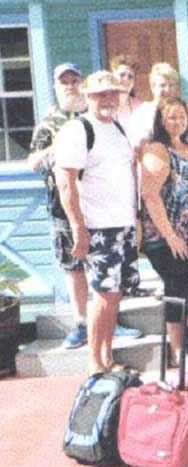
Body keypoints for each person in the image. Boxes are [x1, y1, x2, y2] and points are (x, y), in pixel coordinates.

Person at [29, 63, 140, 349]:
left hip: (121, 223)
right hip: (96, 225)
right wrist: (78, 227)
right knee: (102, 293)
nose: (107, 100)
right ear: (88, 96)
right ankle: (95, 361)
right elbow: (65, 182)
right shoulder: (77, 129)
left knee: (114, 293)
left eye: (112, 94)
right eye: (100, 95)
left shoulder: (116, 127)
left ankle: (106, 355)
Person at [141, 97, 188, 362]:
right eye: (171, 117)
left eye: (182, 116)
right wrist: (171, 236)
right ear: (161, 120)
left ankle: (180, 353)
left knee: (178, 289)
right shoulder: (157, 149)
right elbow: (149, 194)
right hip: (166, 239)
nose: (177, 121)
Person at [127, 62, 180, 153]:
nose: (167, 90)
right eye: (162, 85)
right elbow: (137, 145)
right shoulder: (144, 112)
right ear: (153, 87)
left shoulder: (179, 111)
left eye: (171, 85)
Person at [109, 55, 142, 130]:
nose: (126, 79)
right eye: (122, 75)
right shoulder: (105, 104)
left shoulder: (140, 108)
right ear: (113, 76)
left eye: (130, 76)